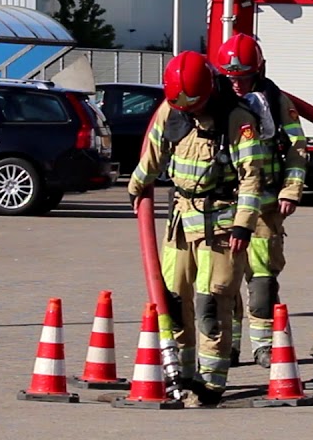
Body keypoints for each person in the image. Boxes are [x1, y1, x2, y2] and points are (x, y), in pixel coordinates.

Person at [126, 50, 266, 407]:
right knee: (173, 301)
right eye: (181, 107)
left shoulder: (237, 119)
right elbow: (153, 154)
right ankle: (182, 374)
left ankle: (211, 383)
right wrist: (136, 185)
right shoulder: (171, 108)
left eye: (194, 106)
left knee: (210, 304)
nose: (188, 112)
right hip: (180, 223)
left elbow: (252, 177)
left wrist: (243, 226)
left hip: (220, 226)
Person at [212, 33, 308, 370]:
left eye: (244, 77)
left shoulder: (277, 102)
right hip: (225, 207)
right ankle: (229, 345)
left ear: (259, 71)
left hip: (266, 206)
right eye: (231, 78)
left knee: (263, 279)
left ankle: (264, 346)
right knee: (224, 280)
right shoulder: (216, 103)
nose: (237, 85)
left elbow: (297, 147)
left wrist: (290, 190)